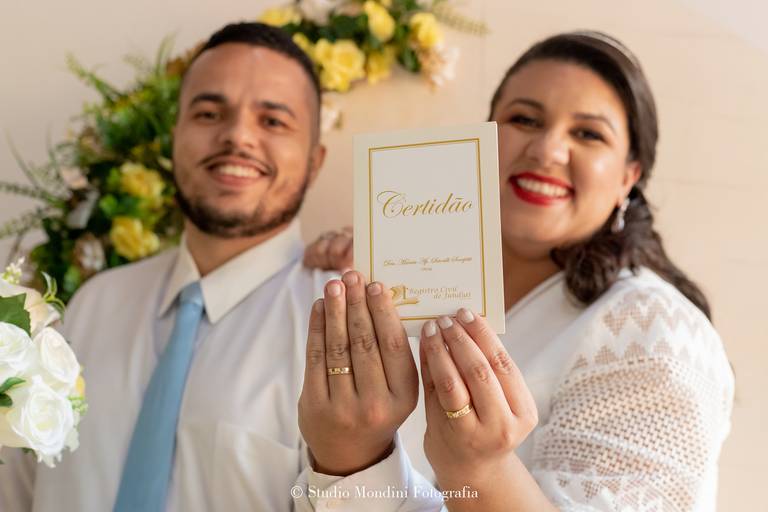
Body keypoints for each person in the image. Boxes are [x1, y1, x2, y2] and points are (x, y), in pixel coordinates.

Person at [0, 22, 429, 512]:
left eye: (273, 121)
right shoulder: (93, 303)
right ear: (174, 138)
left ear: (314, 161)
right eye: (208, 113)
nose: (237, 136)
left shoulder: (354, 330)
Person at [301, 31, 735, 511]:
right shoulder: (411, 285)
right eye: (524, 120)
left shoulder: (651, 332)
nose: (546, 150)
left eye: (588, 134)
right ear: (483, 141)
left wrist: (481, 471)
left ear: (628, 177)